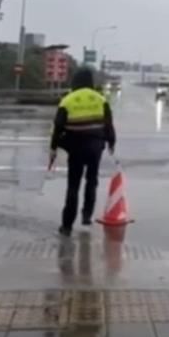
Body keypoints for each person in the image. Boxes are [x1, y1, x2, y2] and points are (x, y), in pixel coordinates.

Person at [50, 67, 116, 236]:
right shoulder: (101, 99)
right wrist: (111, 142)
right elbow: (108, 123)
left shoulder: (68, 100)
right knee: (92, 180)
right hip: (95, 147)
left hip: (76, 147)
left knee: (73, 185)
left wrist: (53, 148)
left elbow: (57, 127)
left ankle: (67, 226)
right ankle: (87, 216)